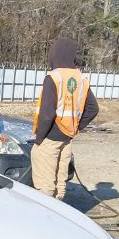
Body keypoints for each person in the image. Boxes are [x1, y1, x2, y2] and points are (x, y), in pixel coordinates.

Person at [31, 37, 99, 200]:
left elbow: (47, 114)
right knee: (60, 186)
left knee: (44, 187)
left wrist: (39, 138)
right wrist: (76, 126)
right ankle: (58, 217)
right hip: (66, 138)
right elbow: (93, 108)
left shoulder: (53, 77)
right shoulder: (81, 78)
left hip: (49, 138)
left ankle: (44, 220)